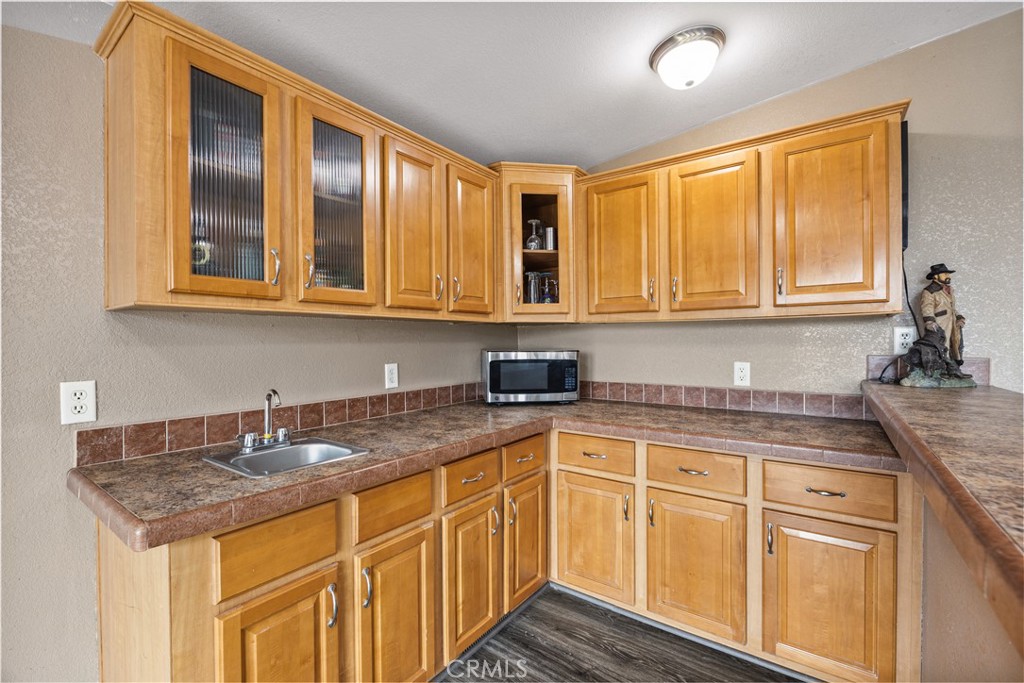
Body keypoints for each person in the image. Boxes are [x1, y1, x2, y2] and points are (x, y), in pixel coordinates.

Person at [919, 263, 966, 366]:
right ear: (936, 276)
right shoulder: (929, 291)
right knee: (942, 345)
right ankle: (941, 367)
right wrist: (930, 322)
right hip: (941, 323)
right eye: (945, 274)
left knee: (956, 344)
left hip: (952, 323)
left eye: (948, 274)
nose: (948, 276)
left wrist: (959, 317)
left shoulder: (949, 290)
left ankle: (953, 366)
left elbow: (951, 307)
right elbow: (927, 307)